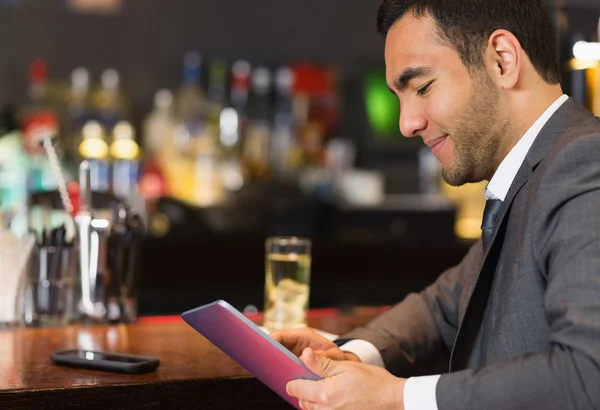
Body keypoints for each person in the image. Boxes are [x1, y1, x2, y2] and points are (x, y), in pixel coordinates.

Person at [271, 0, 600, 409]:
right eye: (400, 97)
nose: (406, 123)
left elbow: (589, 374)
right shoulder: (536, 175)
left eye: (423, 87)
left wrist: (396, 397)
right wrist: (350, 352)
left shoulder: (584, 163)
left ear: (502, 60)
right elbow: (442, 304)